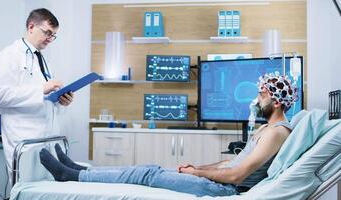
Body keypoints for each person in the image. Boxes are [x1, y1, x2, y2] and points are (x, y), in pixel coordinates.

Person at [40, 73, 298, 197]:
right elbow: (231, 163)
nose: (256, 99)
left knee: (147, 175)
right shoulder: (264, 129)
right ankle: (76, 170)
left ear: (277, 102)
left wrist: (196, 174)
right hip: (219, 180)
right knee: (149, 169)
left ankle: (70, 175)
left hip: (224, 189)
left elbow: (236, 175)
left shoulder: (277, 132)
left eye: (262, 95)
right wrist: (196, 166)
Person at [0, 8, 74, 177]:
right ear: (31, 27)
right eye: (47, 33)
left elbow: (44, 100)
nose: (50, 39)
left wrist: (61, 101)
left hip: (47, 140)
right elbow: (0, 96)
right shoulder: (9, 55)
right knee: (27, 190)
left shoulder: (42, 60)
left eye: (53, 35)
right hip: (24, 140)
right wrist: (41, 89)